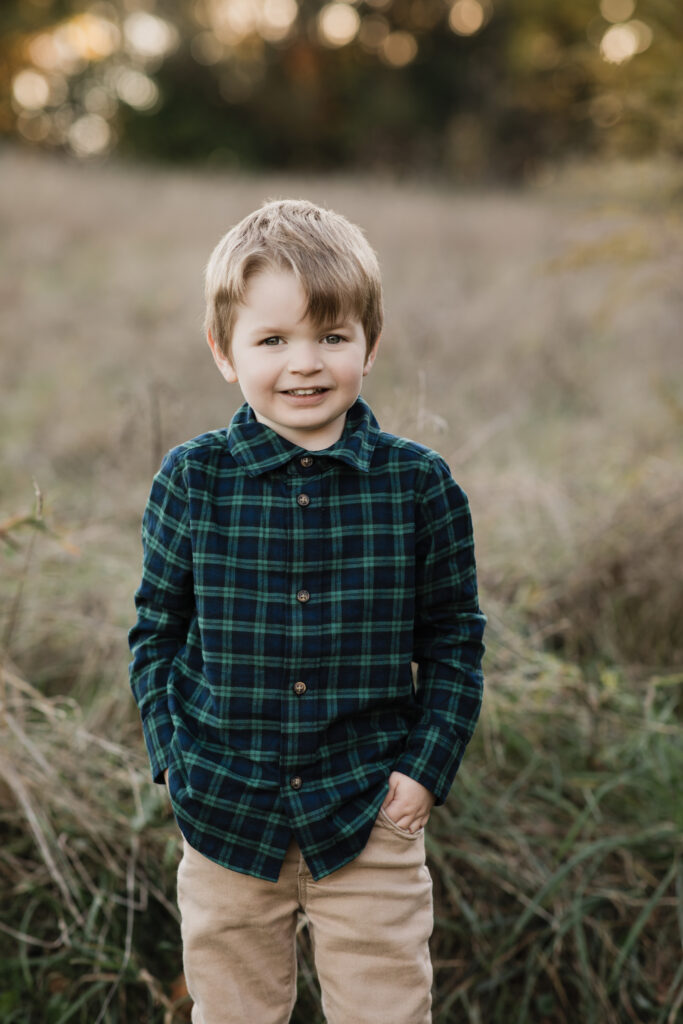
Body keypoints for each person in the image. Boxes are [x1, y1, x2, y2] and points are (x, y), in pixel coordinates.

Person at [128, 198, 486, 1024]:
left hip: (367, 817)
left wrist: (421, 773)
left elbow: (454, 641)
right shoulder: (194, 479)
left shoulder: (417, 486)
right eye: (272, 339)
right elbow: (156, 628)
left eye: (331, 336)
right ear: (224, 352)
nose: (305, 364)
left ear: (370, 342)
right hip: (224, 812)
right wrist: (172, 758)